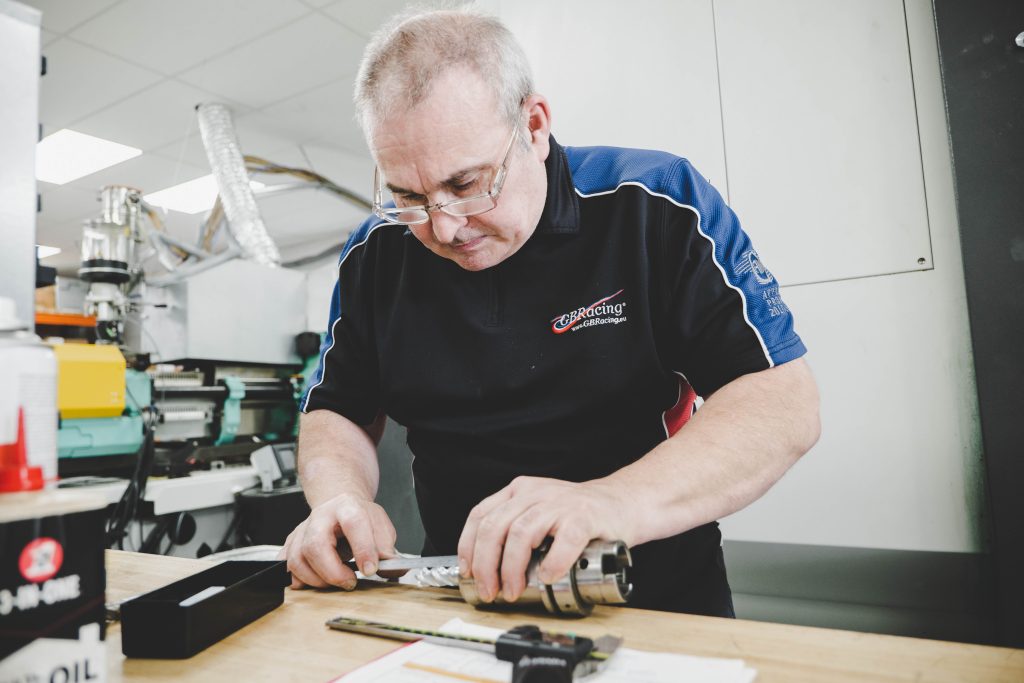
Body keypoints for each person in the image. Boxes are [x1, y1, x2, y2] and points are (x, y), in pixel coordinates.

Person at [281, 6, 820, 617]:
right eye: (408, 196)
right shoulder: (375, 253)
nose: (444, 226)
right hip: (459, 595)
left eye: (466, 184)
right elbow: (337, 410)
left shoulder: (654, 204)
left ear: (534, 126)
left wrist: (611, 502)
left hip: (651, 592)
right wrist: (338, 498)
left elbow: (782, 401)